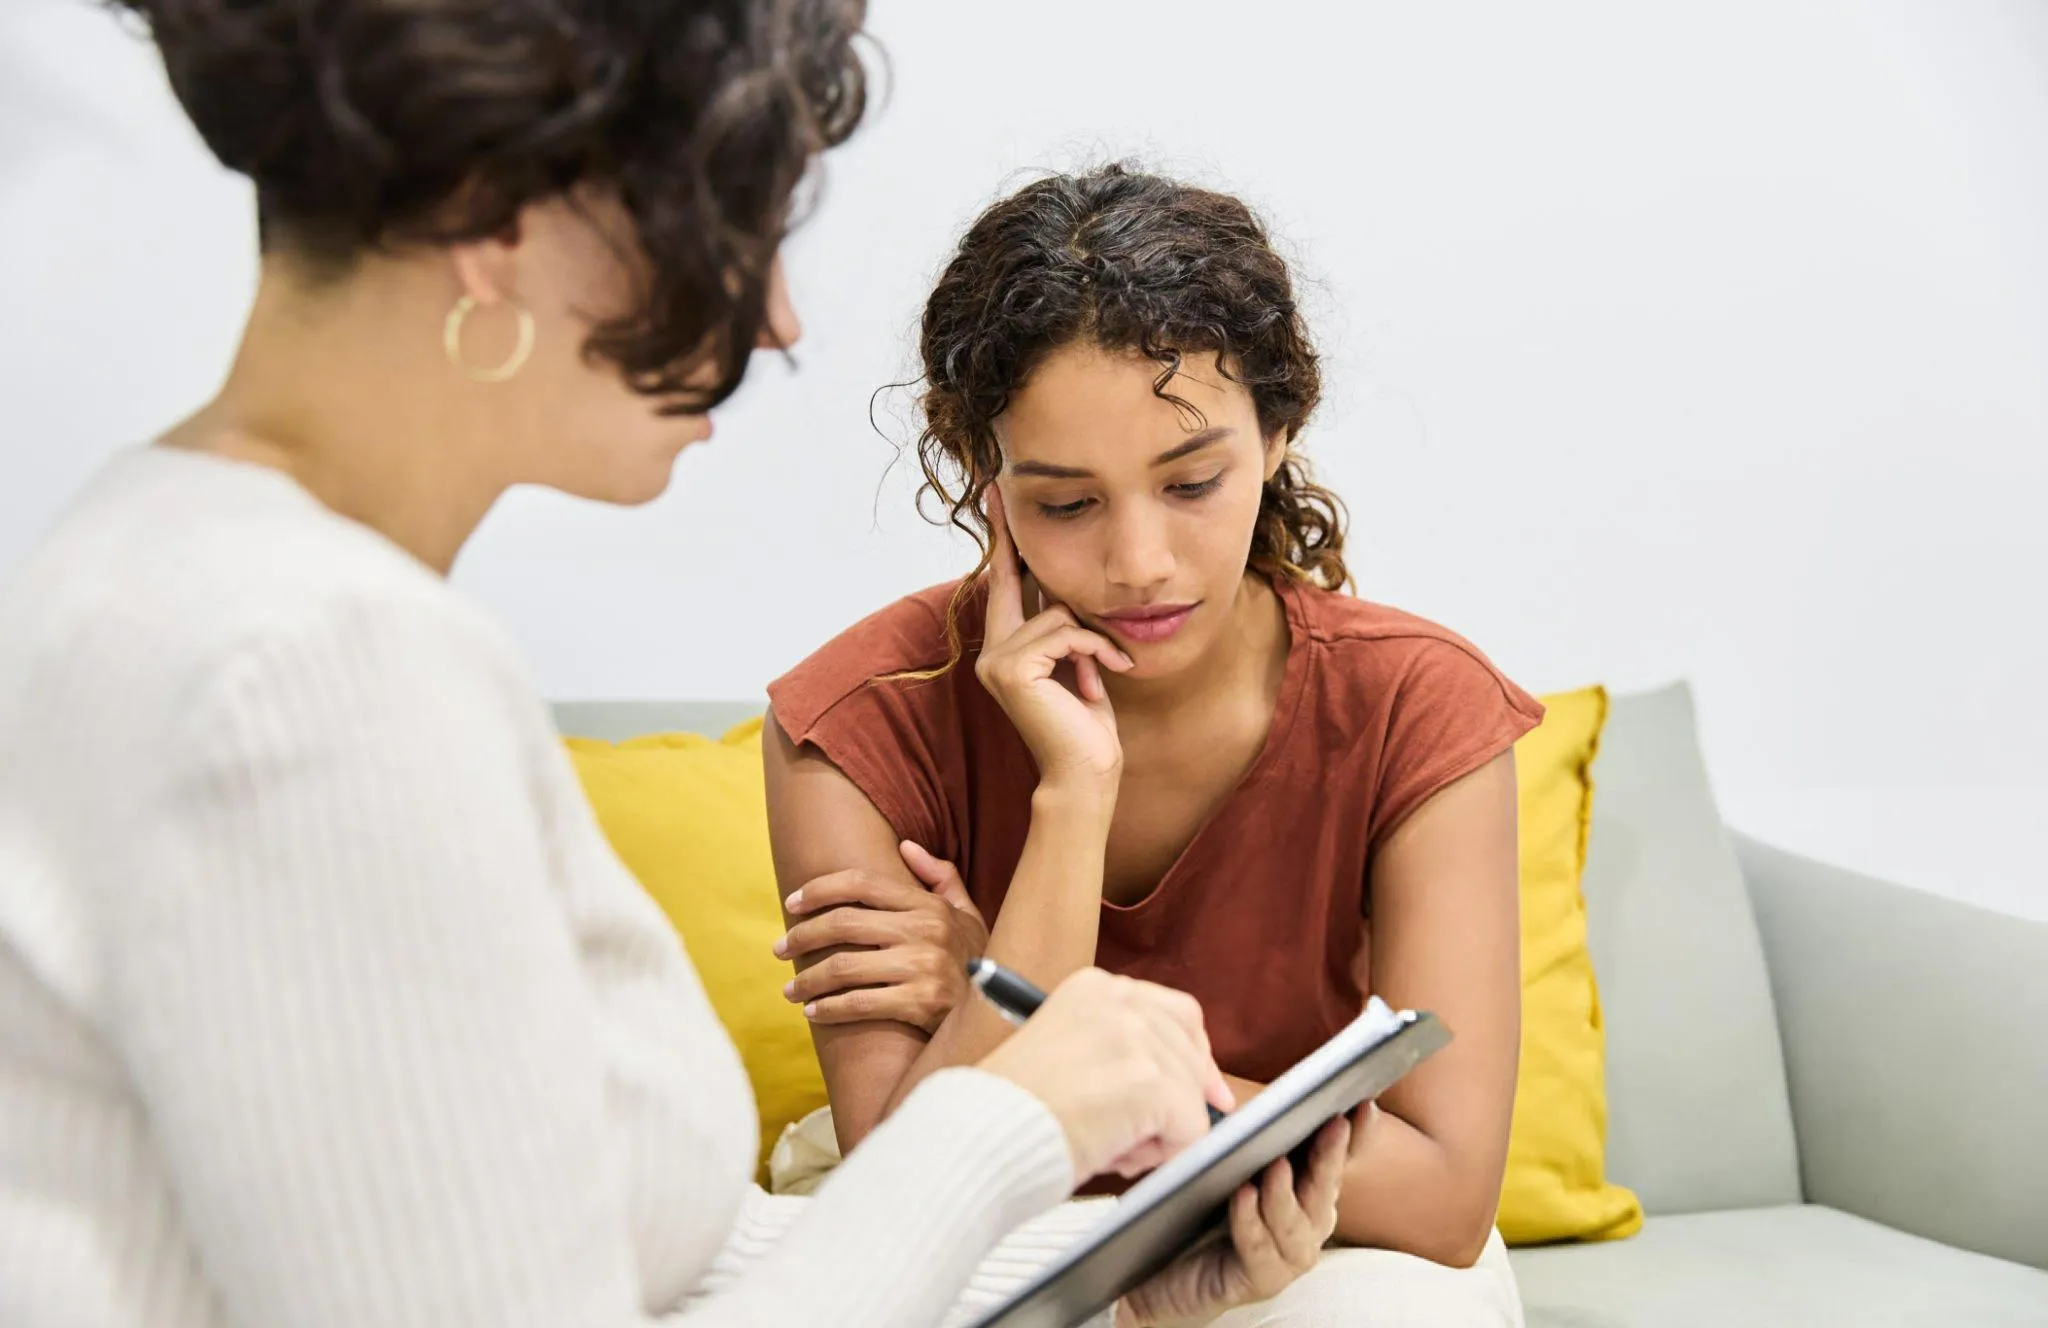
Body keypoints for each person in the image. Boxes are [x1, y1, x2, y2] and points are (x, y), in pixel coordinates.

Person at [0, 6, 1355, 1326]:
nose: (773, 320)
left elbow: (610, 1261)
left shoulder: (171, 567)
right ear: (500, 220)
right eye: (738, 229)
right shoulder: (311, 667)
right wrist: (1021, 1116)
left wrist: (1102, 1274)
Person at [765, 165, 1535, 1325]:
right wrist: (1072, 794)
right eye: (1067, 503)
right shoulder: (855, 721)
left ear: (1276, 437)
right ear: (987, 478)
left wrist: (1027, 1009)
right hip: (991, 1218)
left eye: (1191, 482)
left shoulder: (1418, 705)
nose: (1138, 562)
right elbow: (904, 1189)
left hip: (1297, 1213)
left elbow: (1436, 1194)